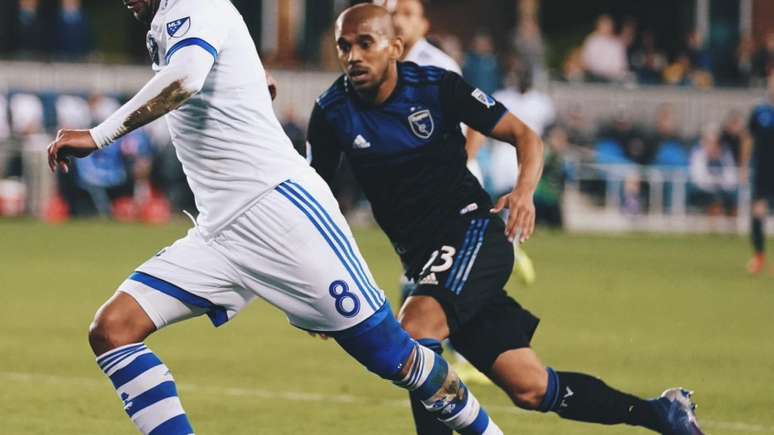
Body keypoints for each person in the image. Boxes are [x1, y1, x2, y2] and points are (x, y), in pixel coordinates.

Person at [46, 1, 502, 434]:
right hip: (220, 233)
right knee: (113, 330)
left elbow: (186, 78)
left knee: (396, 357)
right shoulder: (173, 19)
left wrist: (98, 134)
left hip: (282, 215)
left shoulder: (193, 5)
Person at [307, 4, 704, 435]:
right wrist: (319, 289)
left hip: (474, 232)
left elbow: (524, 136)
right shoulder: (331, 112)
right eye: (344, 46)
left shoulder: (437, 86)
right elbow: (316, 203)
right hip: (428, 264)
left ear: (396, 48)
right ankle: (661, 414)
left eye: (366, 43)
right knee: (531, 388)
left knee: (414, 334)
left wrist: (524, 192)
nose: (353, 56)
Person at [743, 73, 774, 274]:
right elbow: (748, 138)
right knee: (758, 213)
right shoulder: (759, 112)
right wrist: (744, 166)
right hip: (763, 171)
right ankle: (759, 256)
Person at [380, 0, 461, 74]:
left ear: (424, 25)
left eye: (407, 14)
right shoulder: (381, 60)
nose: (397, 20)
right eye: (394, 13)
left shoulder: (442, 67)